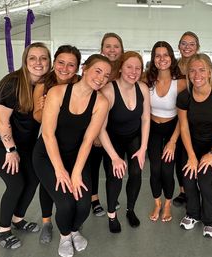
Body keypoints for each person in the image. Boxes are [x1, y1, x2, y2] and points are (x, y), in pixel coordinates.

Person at [32, 54, 110, 257]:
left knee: (83, 204)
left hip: (77, 157)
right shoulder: (58, 93)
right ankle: (65, 236)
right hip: (47, 156)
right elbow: (48, 135)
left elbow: (87, 141)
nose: (101, 78)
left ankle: (75, 231)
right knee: (66, 203)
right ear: (84, 69)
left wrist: (76, 173)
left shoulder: (101, 101)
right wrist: (59, 170)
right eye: (98, 71)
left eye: (106, 75)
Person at [0, 42, 51, 249]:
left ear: (49, 61)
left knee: (33, 178)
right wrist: (10, 150)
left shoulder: (48, 84)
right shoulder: (12, 83)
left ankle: (18, 219)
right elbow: (2, 121)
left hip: (24, 141)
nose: (38, 63)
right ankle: (3, 231)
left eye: (43, 58)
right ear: (25, 61)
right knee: (16, 182)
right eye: (33, 58)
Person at [177, 53, 212, 238]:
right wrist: (192, 156)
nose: (197, 74)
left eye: (202, 70)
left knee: (204, 179)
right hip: (192, 144)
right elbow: (184, 127)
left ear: (210, 72)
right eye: (192, 70)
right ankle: (193, 214)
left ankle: (210, 220)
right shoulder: (184, 97)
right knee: (188, 177)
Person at [33, 45, 81, 244]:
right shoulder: (43, 85)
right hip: (48, 141)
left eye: (71, 65)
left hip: (73, 144)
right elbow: (36, 117)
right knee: (48, 184)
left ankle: (72, 222)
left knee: (69, 185)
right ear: (54, 63)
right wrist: (45, 109)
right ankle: (46, 222)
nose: (65, 68)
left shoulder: (79, 83)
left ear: (77, 68)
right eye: (61, 62)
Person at [99, 51, 150, 233]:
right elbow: (101, 129)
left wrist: (143, 148)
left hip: (134, 138)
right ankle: (112, 214)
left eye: (138, 68)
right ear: (120, 67)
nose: (133, 71)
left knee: (136, 172)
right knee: (115, 175)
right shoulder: (109, 90)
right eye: (129, 66)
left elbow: (145, 119)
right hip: (112, 140)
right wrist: (114, 157)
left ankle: (130, 209)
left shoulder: (142, 88)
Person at [144, 41, 186, 222]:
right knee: (154, 169)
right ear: (153, 59)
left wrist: (173, 141)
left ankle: (167, 203)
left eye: (165, 55)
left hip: (173, 129)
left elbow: (184, 116)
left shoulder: (182, 82)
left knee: (167, 170)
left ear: (172, 57)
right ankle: (157, 203)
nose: (162, 59)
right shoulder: (147, 80)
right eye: (158, 55)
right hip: (153, 128)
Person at [89, 32, 125, 217]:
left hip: (115, 129)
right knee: (93, 164)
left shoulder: (125, 70)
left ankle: (113, 197)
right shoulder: (96, 69)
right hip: (96, 127)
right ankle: (94, 199)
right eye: (108, 46)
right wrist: (95, 133)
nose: (112, 50)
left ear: (121, 49)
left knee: (111, 165)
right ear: (102, 49)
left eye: (116, 46)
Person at [173, 31, 200, 207]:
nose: (187, 47)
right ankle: (183, 191)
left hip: (197, 117)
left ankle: (197, 188)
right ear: (178, 46)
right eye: (184, 43)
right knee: (180, 157)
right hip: (176, 116)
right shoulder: (173, 66)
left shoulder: (202, 65)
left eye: (191, 44)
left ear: (197, 47)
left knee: (195, 155)